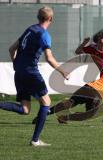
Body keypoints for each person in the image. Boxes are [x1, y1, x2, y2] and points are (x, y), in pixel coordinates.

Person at [0, 6, 69, 146]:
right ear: (51, 19)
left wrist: (17, 64)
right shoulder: (44, 34)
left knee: (25, 109)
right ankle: (35, 140)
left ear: (38, 17)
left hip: (19, 73)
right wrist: (63, 71)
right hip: (31, 73)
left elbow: (11, 49)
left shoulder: (30, 29)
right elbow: (49, 58)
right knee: (46, 102)